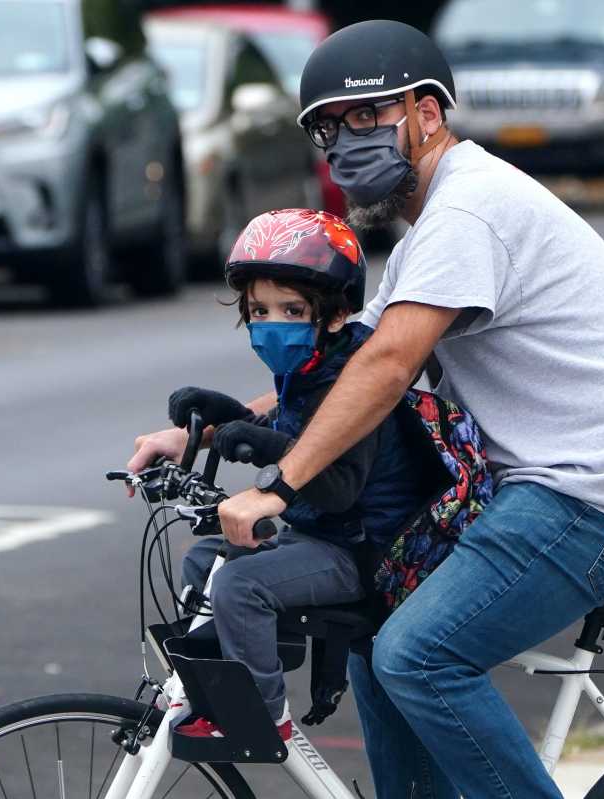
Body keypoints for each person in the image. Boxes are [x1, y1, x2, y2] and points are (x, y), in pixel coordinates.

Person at [193, 19, 604, 799]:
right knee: (376, 633)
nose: (346, 143)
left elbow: (387, 364)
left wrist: (280, 486)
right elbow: (339, 375)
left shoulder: (467, 213)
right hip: (559, 482)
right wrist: (196, 434)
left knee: (418, 653)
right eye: (329, 130)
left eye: (367, 117)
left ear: (428, 115)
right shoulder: (432, 233)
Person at [164, 208, 432, 746]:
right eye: (259, 310)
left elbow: (337, 489)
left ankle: (260, 717)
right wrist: (228, 418)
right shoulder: (306, 368)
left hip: (363, 552)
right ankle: (222, 688)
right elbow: (291, 429)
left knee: (240, 584)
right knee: (205, 562)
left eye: (291, 309)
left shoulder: (354, 378)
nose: (271, 323)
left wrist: (261, 446)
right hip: (318, 537)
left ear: (333, 316)